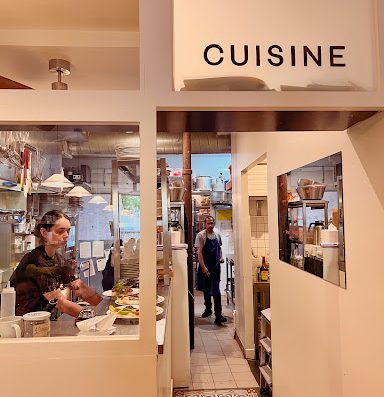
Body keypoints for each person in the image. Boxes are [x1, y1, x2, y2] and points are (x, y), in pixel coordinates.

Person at [10, 210, 102, 318]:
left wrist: (105, 306)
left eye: (68, 231)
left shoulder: (58, 259)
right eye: (60, 231)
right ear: (44, 233)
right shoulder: (36, 260)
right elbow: (60, 303)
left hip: (40, 319)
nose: (66, 236)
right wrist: (91, 315)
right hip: (21, 321)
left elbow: (79, 287)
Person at [195, 215, 227, 325]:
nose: (210, 225)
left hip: (216, 267)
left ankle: (218, 315)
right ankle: (208, 309)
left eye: (212, 223)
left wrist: (221, 257)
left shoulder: (217, 235)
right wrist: (203, 267)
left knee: (216, 291)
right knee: (206, 289)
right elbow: (199, 253)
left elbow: (219, 248)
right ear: (205, 224)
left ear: (214, 224)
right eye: (208, 223)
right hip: (206, 265)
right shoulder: (201, 236)